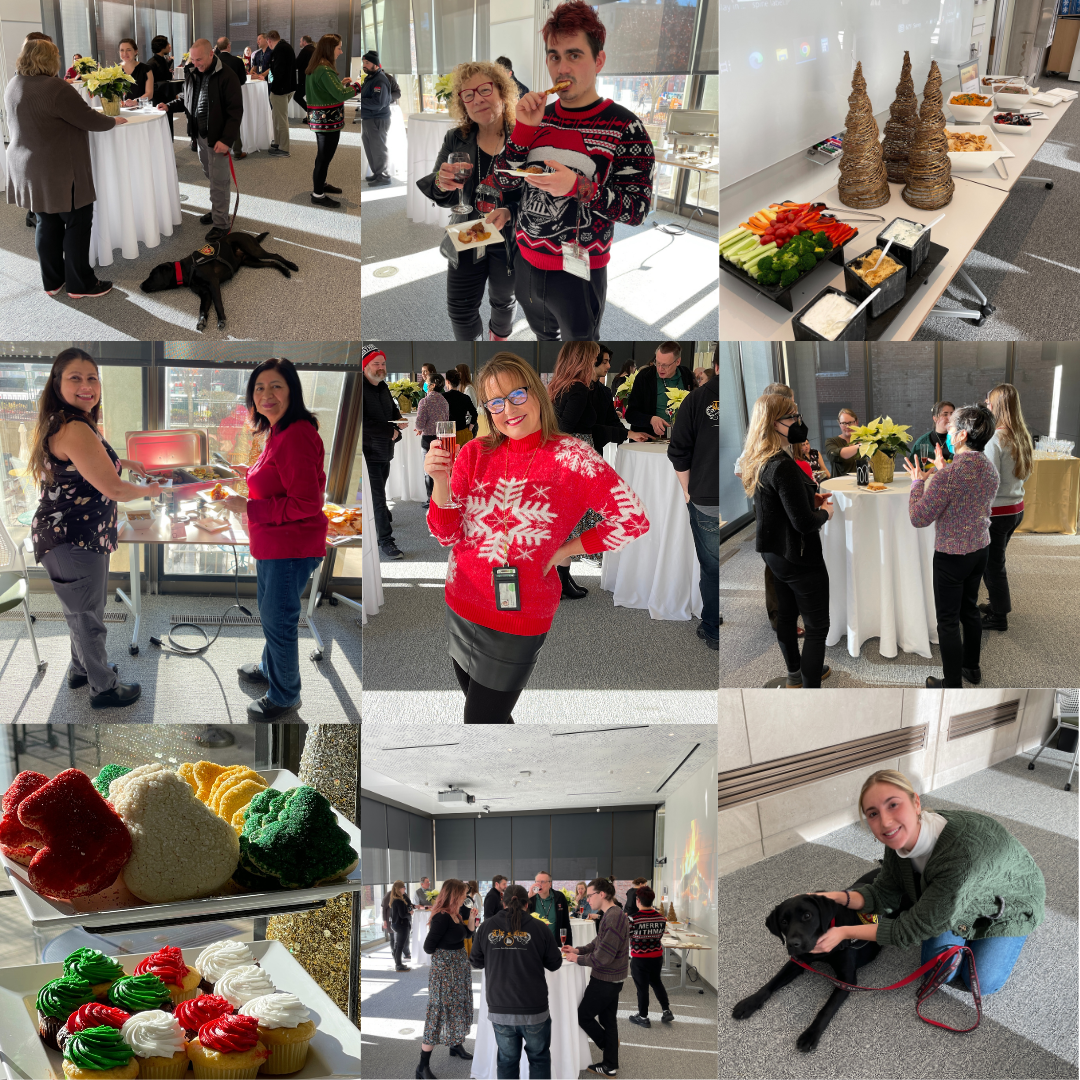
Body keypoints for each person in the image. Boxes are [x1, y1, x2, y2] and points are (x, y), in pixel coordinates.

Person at [424, 352, 649, 723]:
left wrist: (568, 549)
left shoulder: (571, 456)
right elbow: (446, 534)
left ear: (537, 393)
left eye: (517, 395)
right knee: (489, 718)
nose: (508, 409)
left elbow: (632, 519)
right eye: (495, 402)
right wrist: (441, 483)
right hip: (461, 601)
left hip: (519, 613)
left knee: (480, 722)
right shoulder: (474, 453)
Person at [489, 1, 655, 339]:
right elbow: (502, 181)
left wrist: (577, 187)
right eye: (554, 56)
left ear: (599, 60)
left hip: (580, 273)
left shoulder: (626, 127)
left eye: (574, 55)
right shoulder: (536, 116)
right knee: (542, 343)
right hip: (525, 262)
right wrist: (522, 130)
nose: (562, 68)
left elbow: (637, 211)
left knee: (579, 361)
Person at [811, 770, 1044, 997]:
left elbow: (908, 930)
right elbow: (883, 894)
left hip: (1009, 903)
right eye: (873, 813)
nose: (885, 821)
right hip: (956, 894)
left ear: (916, 803)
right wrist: (837, 896)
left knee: (983, 983)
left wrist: (842, 932)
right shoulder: (897, 841)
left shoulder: (961, 856)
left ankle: (1004, 929)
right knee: (939, 971)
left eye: (893, 805)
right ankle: (954, 918)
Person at [27, 348, 162, 709]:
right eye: (75, 378)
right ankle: (103, 688)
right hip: (72, 538)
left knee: (79, 610)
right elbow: (115, 489)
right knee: (88, 615)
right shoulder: (74, 427)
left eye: (92, 378)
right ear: (57, 384)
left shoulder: (68, 420)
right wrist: (149, 491)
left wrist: (125, 461)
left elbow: (94, 458)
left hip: (69, 535)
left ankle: (80, 669)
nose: (86, 385)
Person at [219, 359, 326, 719]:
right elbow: (278, 473)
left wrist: (247, 506)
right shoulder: (280, 430)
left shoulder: (296, 433)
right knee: (271, 615)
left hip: (290, 547)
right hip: (273, 544)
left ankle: (285, 695)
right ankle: (270, 669)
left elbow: (307, 502)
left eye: (276, 386)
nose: (266, 394)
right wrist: (246, 473)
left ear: (291, 390)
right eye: (259, 388)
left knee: (279, 620)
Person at [5, 37, 127, 299]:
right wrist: (113, 120)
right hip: (59, 170)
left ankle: (53, 281)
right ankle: (80, 285)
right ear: (51, 59)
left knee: (46, 222)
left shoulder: (13, 84)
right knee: (77, 223)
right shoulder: (56, 88)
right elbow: (88, 118)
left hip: (27, 168)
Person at [415, 61, 521, 342]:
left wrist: (509, 211)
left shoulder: (522, 137)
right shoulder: (456, 138)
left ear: (502, 92)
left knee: (503, 299)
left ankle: (498, 341)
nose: (478, 99)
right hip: (469, 230)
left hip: (509, 236)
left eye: (485, 89)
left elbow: (536, 195)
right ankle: (473, 353)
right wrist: (441, 182)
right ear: (462, 103)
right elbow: (444, 195)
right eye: (468, 95)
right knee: (460, 308)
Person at [741, 393, 834, 688]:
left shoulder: (760, 459)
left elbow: (776, 507)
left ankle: (795, 676)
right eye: (792, 416)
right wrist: (825, 513)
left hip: (775, 554)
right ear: (772, 423)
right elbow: (804, 523)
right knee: (817, 628)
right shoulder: (781, 465)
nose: (798, 422)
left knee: (787, 615)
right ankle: (809, 694)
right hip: (799, 556)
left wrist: (809, 498)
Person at [903, 404, 1000, 688]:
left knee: (947, 621)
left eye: (952, 427)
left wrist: (917, 484)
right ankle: (972, 668)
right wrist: (944, 471)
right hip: (980, 548)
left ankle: (952, 682)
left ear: (962, 436)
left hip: (951, 556)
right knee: (969, 610)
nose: (948, 430)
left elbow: (918, 518)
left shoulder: (948, 477)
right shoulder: (988, 468)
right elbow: (968, 496)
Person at [470, 883, 562, 1080]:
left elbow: (476, 962)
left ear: (503, 902)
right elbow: (555, 963)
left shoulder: (486, 926)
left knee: (506, 1060)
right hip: (534, 1009)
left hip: (500, 1008)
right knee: (539, 1059)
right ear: (527, 904)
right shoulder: (540, 928)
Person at [159, 38, 243, 242]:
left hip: (218, 139)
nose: (195, 63)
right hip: (200, 136)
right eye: (192, 59)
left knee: (219, 181)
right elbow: (187, 97)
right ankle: (217, 211)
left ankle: (222, 224)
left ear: (211, 54)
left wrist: (226, 139)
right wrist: (169, 105)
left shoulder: (226, 76)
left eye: (199, 59)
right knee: (211, 175)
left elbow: (235, 111)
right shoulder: (193, 72)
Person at [669, 347, 720, 651]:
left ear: (714, 365)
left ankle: (713, 629)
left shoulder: (696, 399)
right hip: (734, 495)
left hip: (705, 497)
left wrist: (688, 490)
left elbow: (678, 451)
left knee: (712, 567)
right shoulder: (753, 402)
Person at [560, 877, 629, 1077]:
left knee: (583, 1015)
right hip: (612, 977)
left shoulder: (613, 915)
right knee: (609, 1020)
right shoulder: (610, 914)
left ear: (602, 894)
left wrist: (577, 958)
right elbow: (597, 942)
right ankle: (610, 1064)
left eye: (590, 895)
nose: (587, 899)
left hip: (606, 978)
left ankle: (608, 1048)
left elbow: (603, 956)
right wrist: (577, 949)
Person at [549, 341, 602, 599]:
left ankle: (561, 579)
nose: (594, 364)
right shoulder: (579, 388)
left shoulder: (558, 386)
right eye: (592, 360)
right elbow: (566, 426)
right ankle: (560, 582)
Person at [981, 384, 1033, 633]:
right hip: (1015, 509)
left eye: (989, 402)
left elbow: (988, 481)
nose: (985, 405)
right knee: (995, 563)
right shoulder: (1021, 434)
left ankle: (998, 616)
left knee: (992, 566)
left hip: (997, 514)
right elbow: (1026, 473)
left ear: (997, 406)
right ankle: (995, 606)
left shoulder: (995, 439)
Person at [417, 879, 474, 1079]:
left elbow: (466, 934)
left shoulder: (456, 914)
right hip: (446, 971)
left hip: (459, 968)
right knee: (438, 1012)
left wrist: (472, 919)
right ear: (454, 894)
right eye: (463, 894)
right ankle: (422, 1066)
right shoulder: (442, 917)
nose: (466, 897)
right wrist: (446, 957)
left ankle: (455, 1044)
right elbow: (428, 947)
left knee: (458, 1005)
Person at [362, 345, 407, 561]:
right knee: (378, 498)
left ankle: (380, 518)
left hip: (385, 452)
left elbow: (392, 411)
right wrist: (389, 431)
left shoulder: (383, 386)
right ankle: (385, 541)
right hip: (368, 453)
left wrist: (398, 420)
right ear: (365, 366)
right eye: (376, 363)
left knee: (379, 494)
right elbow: (362, 422)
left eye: (383, 363)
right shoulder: (359, 389)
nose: (381, 367)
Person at [305, 33, 357, 207]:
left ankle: (321, 184)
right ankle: (318, 194)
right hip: (327, 121)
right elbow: (340, 95)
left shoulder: (317, 66)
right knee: (324, 157)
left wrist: (339, 83)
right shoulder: (325, 69)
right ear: (329, 49)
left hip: (320, 119)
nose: (341, 52)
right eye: (339, 48)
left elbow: (325, 91)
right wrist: (358, 87)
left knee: (323, 156)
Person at [625, 343, 695, 442]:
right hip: (650, 440)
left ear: (677, 361)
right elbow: (630, 415)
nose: (660, 368)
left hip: (680, 441)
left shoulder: (686, 375)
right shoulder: (645, 377)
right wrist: (650, 420)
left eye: (665, 365)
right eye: (657, 363)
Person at [627, 885, 674, 1027]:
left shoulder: (633, 919)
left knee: (642, 988)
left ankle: (643, 1017)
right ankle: (666, 1010)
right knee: (657, 983)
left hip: (640, 959)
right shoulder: (661, 918)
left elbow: (627, 936)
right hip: (657, 957)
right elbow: (659, 936)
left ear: (638, 900)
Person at [415, 373, 450, 507]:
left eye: (426, 382)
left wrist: (418, 428)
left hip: (428, 439)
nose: (424, 383)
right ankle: (441, 496)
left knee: (429, 470)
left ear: (432, 385)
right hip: (442, 438)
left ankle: (431, 499)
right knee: (441, 469)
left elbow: (419, 423)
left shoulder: (425, 401)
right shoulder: (444, 401)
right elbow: (446, 420)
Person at [361, 51, 393, 186]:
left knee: (378, 148)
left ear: (375, 64)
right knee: (370, 147)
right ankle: (377, 173)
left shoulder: (380, 79)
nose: (364, 65)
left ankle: (383, 176)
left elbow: (378, 103)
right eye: (363, 63)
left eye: (367, 63)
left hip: (377, 119)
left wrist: (360, 102)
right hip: (369, 118)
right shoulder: (370, 78)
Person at [261, 30, 296, 156]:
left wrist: (273, 88)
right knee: (277, 116)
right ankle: (277, 142)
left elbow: (278, 72)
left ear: (269, 41)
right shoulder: (287, 47)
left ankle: (284, 148)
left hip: (280, 89)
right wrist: (265, 78)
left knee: (281, 119)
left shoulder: (279, 50)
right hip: (289, 87)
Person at [589, 346, 626, 461]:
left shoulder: (605, 392)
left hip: (598, 452)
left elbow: (612, 420)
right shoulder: (577, 390)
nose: (609, 366)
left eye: (609, 362)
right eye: (605, 362)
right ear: (593, 361)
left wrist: (628, 433)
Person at [214, 37, 248, 160]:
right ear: (228, 46)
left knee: (216, 121)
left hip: (216, 95)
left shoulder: (214, 61)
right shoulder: (237, 61)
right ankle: (237, 151)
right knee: (234, 121)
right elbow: (243, 80)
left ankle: (217, 149)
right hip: (233, 95)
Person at [527, 871, 572, 945]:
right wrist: (528, 897)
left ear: (550, 884)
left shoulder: (559, 897)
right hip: (534, 944)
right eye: (537, 882)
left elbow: (566, 923)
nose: (539, 885)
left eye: (543, 882)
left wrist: (568, 945)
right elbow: (517, 913)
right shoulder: (529, 898)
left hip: (555, 943)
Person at [907, 400, 955, 467]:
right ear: (935, 418)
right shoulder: (922, 442)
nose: (950, 418)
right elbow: (913, 467)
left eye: (952, 414)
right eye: (945, 414)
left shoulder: (961, 440)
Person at [147, 36, 175, 134]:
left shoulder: (163, 60)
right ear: (162, 46)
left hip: (166, 99)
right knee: (160, 130)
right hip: (157, 101)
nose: (169, 46)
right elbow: (150, 84)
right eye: (167, 43)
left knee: (168, 128)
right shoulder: (151, 63)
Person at [443, 369, 478, 444]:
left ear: (447, 381)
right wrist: (470, 428)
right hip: (463, 432)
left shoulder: (443, 397)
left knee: (451, 455)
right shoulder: (465, 397)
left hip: (449, 433)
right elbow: (474, 413)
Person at [824, 408, 861, 476]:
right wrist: (861, 446)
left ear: (856, 422)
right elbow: (833, 455)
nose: (847, 426)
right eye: (844, 423)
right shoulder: (831, 441)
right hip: (839, 485)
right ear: (839, 424)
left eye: (850, 422)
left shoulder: (864, 440)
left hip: (863, 484)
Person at [117, 38, 152, 106]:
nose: (125, 53)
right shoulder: (114, 70)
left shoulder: (146, 69)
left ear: (135, 51)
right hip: (121, 109)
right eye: (122, 50)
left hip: (141, 108)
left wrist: (136, 101)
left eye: (128, 50)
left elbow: (150, 94)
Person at [388, 880, 414, 972]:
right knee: (400, 946)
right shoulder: (399, 901)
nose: (405, 888)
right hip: (401, 925)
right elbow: (403, 915)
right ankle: (399, 965)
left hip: (395, 924)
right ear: (399, 889)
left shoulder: (395, 899)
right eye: (403, 887)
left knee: (397, 945)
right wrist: (410, 913)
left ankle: (398, 963)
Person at [294, 34, 314, 120]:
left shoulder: (305, 50)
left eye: (300, 41)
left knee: (297, 96)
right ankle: (311, 114)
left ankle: (310, 113)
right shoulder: (315, 50)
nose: (300, 43)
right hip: (313, 78)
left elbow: (297, 64)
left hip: (305, 79)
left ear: (304, 42)